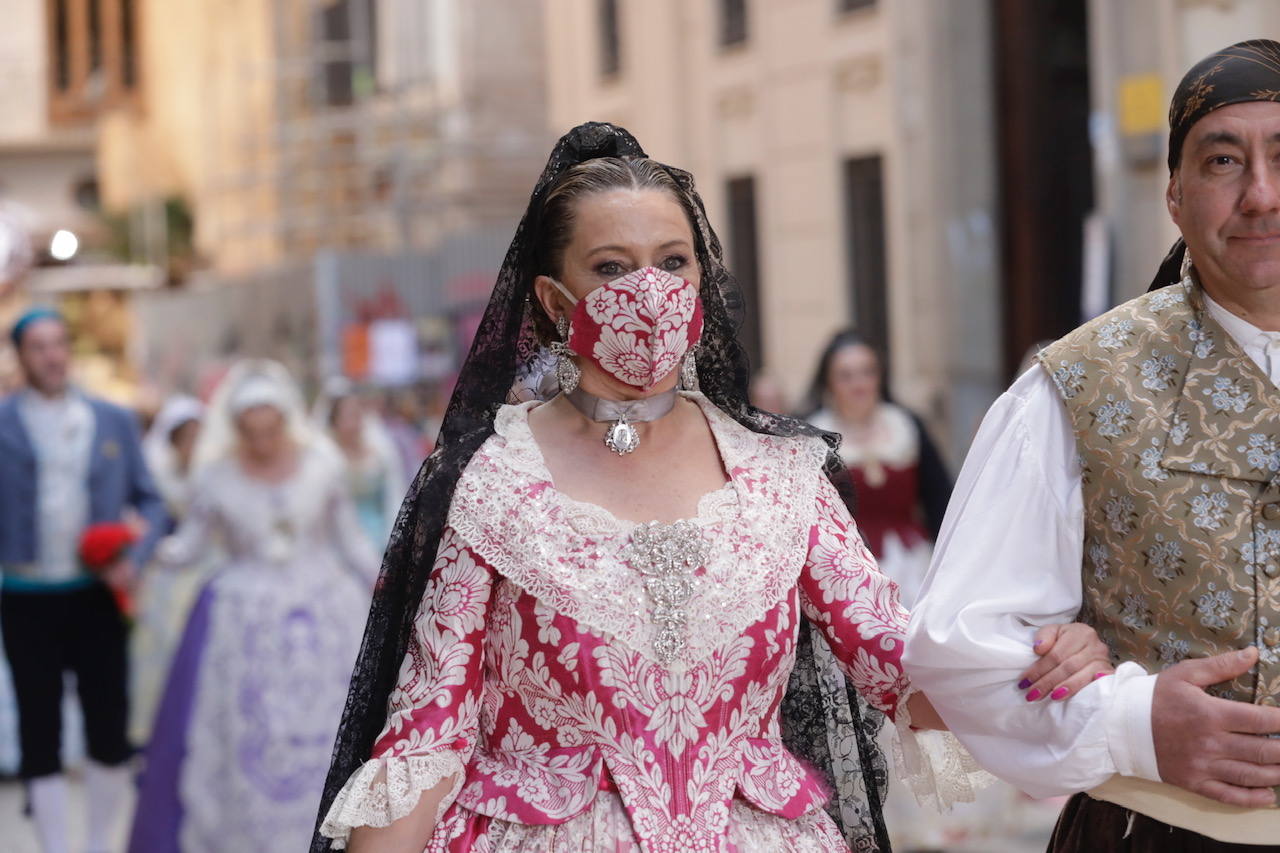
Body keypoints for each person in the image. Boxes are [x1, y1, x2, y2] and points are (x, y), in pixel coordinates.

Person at [310, 122, 1111, 853]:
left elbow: (907, 672)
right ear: (556, 303)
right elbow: (426, 740)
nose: (649, 289)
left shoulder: (780, 477)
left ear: (700, 287)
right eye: (612, 267)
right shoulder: (489, 486)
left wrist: (1045, 654)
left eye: (673, 260)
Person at [903, 39, 1280, 850]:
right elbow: (959, 645)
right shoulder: (1079, 387)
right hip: (1161, 830)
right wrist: (1133, 722)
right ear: (1175, 195)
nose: (1261, 194)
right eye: (1223, 161)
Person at [127, 360, 379, 853]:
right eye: (252, 432)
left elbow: (349, 540)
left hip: (324, 612)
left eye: (271, 429)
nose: (263, 441)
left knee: (329, 724)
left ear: (287, 420)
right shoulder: (217, 476)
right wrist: (150, 552)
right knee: (244, 729)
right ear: (237, 428)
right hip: (243, 620)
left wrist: (384, 584)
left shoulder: (321, 465)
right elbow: (191, 544)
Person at [0, 307, 167, 853]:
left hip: (98, 593)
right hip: (26, 595)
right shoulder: (3, 423)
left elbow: (152, 501)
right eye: (38, 346)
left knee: (108, 725)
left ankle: (98, 844)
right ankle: (52, 844)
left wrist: (133, 557)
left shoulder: (112, 419)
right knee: (38, 726)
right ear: (20, 356)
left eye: (58, 343)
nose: (51, 355)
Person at [803, 331, 952, 609]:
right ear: (828, 383)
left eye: (867, 373)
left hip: (914, 564)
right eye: (846, 376)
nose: (859, 385)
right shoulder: (813, 438)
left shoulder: (906, 426)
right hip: (845, 572)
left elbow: (940, 502)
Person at [129, 395, 206, 743]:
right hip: (168, 571)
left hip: (207, 566)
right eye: (185, 436)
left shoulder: (213, 475)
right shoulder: (159, 474)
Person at [316, 378, 409, 551]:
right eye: (347, 415)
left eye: (357, 414)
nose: (355, 421)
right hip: (340, 541)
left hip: (381, 535)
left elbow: (393, 493)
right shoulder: (324, 458)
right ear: (334, 420)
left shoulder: (379, 450)